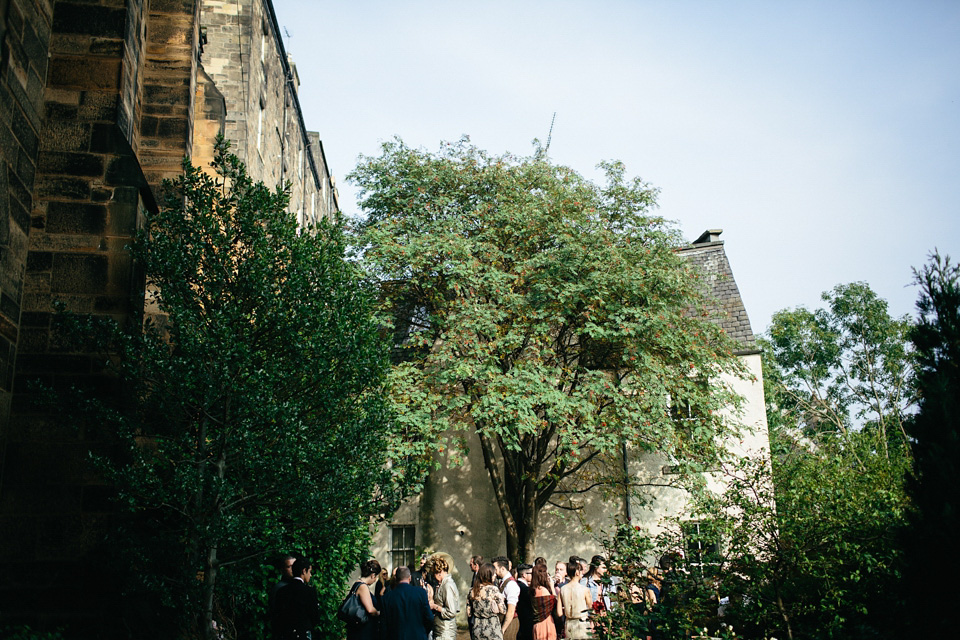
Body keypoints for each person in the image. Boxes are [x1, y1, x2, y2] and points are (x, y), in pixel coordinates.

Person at [382, 566, 434, 640]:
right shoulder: (420, 593)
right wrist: (423, 631)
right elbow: (429, 618)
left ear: (396, 579)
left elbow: (384, 626)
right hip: (418, 635)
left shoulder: (386, 598)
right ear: (410, 578)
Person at [274, 557, 320, 640]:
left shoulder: (281, 591)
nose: (310, 575)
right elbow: (315, 617)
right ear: (304, 571)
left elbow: (277, 615)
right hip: (302, 634)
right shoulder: (309, 591)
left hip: (285, 634)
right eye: (309, 572)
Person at [346, 559, 382, 640]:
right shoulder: (363, 587)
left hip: (356, 628)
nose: (375, 580)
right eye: (376, 577)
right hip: (363, 630)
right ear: (373, 575)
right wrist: (379, 613)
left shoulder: (357, 584)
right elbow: (370, 610)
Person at [468, 562, 506, 640]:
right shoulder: (493, 589)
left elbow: (469, 613)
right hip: (492, 627)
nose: (495, 575)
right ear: (488, 575)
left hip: (477, 628)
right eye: (493, 574)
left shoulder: (472, 591)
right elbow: (503, 610)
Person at [430, 555, 460, 640]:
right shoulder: (443, 584)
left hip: (445, 631)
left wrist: (435, 606)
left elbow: (451, 611)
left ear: (439, 572)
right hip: (440, 630)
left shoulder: (447, 585)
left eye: (434, 573)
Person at [560, 561, 592, 640]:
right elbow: (591, 608)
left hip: (569, 624)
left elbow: (559, 612)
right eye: (581, 570)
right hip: (582, 624)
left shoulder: (562, 589)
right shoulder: (585, 589)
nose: (582, 572)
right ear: (577, 572)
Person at [531, 563, 562, 640]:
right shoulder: (542, 590)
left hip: (537, 624)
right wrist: (552, 586)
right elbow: (555, 602)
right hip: (545, 623)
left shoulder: (534, 589)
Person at [269, 554, 297, 638]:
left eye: (295, 566)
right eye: (289, 567)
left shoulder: (299, 586)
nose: (293, 569)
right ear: (282, 570)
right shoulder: (279, 588)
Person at [493, 556, 520, 640]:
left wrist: (503, 629)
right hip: (503, 620)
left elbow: (511, 611)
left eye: (495, 568)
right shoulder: (503, 582)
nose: (494, 571)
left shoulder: (511, 584)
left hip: (509, 623)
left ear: (503, 569)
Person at [516, 564, 534, 640]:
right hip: (525, 624)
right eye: (531, 573)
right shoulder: (524, 589)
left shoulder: (517, 585)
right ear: (524, 575)